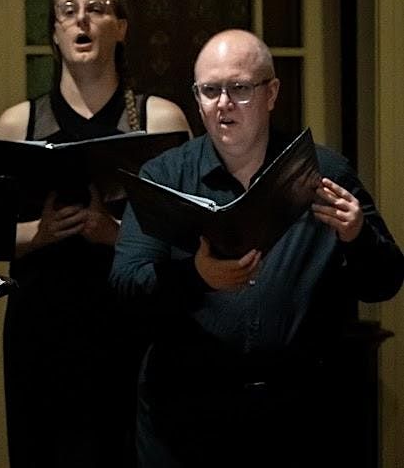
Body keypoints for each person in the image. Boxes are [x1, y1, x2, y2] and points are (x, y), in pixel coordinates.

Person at [110, 28, 404, 468]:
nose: (223, 104)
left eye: (240, 88)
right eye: (210, 90)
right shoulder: (165, 176)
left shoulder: (324, 171)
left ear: (272, 93)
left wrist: (357, 235)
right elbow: (125, 286)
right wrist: (197, 277)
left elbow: (385, 282)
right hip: (186, 418)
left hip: (299, 418)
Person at [0, 0, 192, 467]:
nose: (82, 19)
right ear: (55, 33)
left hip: (128, 325)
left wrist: (116, 235)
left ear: (121, 28)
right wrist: (39, 234)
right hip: (42, 330)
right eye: (68, 11)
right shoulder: (18, 124)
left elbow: (186, 237)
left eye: (97, 9)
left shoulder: (160, 119)